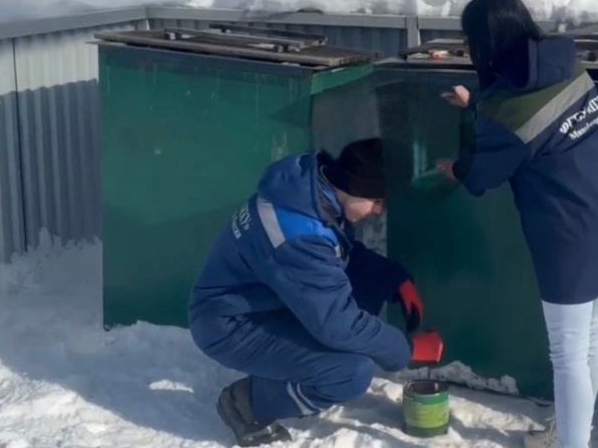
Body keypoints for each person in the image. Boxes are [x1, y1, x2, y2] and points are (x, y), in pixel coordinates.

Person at [435, 0, 598, 448]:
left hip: (569, 234)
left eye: (470, 42)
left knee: (567, 353)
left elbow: (484, 171)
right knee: (587, 338)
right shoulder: (567, 67)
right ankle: (574, 432)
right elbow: (533, 115)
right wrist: (477, 102)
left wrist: (455, 167)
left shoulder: (506, 113)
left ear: (485, 43)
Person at [188, 138, 444, 447]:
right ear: (355, 187)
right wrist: (407, 348)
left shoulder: (311, 189)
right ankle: (248, 402)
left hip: (265, 303)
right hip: (230, 324)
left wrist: (393, 280)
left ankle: (295, 366)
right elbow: (338, 324)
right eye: (377, 200)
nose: (378, 210)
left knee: (366, 293)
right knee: (349, 372)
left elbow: (338, 255)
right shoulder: (298, 234)